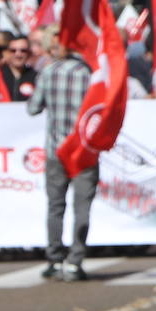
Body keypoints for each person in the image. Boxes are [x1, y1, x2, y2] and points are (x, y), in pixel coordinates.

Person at [26, 37, 96, 281]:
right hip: (83, 150)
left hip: (56, 148)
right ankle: (75, 261)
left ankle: (54, 259)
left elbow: (33, 108)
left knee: (56, 206)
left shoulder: (48, 72)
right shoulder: (88, 73)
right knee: (82, 207)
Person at [0, 34, 37, 100]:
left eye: (23, 51)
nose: (18, 54)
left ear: (29, 53)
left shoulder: (36, 77)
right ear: (7, 53)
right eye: (13, 51)